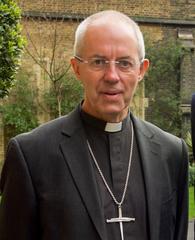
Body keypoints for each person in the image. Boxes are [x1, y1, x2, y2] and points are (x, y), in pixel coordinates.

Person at [0, 10, 189, 240]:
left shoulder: (172, 153)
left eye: (124, 63)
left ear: (141, 70)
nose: (112, 76)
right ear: (76, 68)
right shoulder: (31, 156)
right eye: (98, 62)